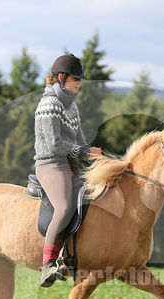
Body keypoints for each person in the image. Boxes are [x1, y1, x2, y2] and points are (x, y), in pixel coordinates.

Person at [34, 53, 102, 287]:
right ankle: (48, 264)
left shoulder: (72, 108)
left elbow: (80, 142)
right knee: (63, 207)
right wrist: (85, 152)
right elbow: (54, 145)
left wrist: (97, 160)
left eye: (80, 79)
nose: (79, 83)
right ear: (61, 78)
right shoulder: (49, 104)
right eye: (76, 78)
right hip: (51, 164)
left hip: (70, 164)